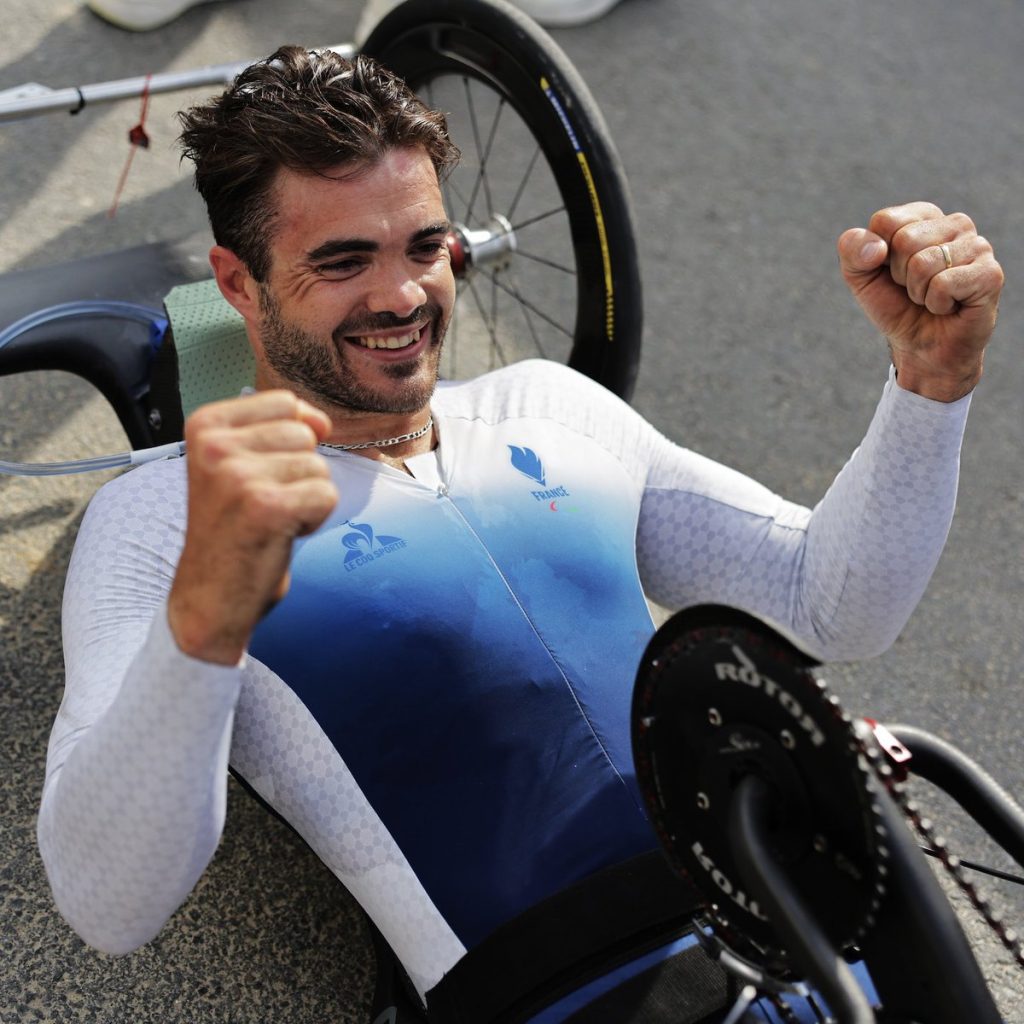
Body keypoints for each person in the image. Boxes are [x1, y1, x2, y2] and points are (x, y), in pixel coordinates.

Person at [36, 45, 1003, 1024]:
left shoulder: (543, 406)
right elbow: (109, 903)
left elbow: (826, 601)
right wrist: (200, 622)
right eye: (342, 260)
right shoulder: (164, 516)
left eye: (424, 246)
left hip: (798, 921)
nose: (403, 295)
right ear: (237, 285)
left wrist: (928, 388)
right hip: (557, 992)